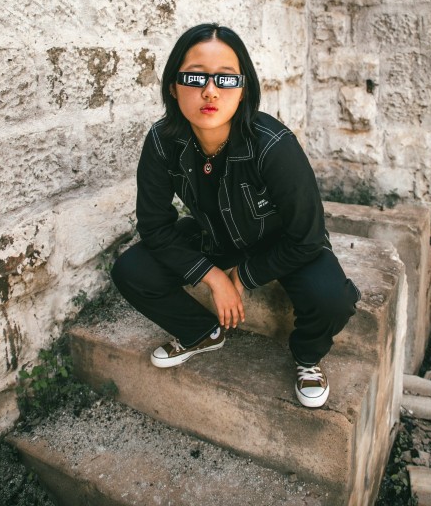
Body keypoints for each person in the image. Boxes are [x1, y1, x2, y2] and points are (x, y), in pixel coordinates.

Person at [112, 23, 360, 408]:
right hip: (215, 239)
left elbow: (307, 237)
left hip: (282, 245)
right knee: (131, 269)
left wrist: (245, 275)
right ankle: (201, 332)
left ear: (243, 88)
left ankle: (308, 357)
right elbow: (155, 227)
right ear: (173, 87)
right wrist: (213, 277)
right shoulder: (162, 142)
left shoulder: (274, 145)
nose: (209, 91)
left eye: (225, 79)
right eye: (195, 77)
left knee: (333, 299)